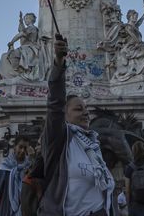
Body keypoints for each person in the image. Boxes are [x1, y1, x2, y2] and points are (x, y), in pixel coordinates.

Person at [38, 34, 116, 216]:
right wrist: (59, 62)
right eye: (79, 109)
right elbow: (55, 104)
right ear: (64, 115)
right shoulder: (59, 140)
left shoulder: (92, 144)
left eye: (86, 108)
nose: (86, 112)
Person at [0, 136, 31, 216]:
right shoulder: (5, 166)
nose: (23, 150)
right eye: (20, 147)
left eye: (25, 148)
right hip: (7, 210)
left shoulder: (29, 166)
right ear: (14, 147)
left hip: (24, 211)